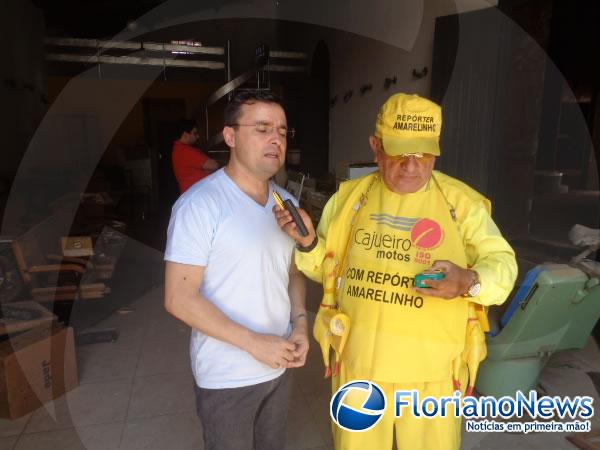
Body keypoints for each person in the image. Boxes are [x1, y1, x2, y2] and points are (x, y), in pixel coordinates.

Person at [275, 92, 518, 450]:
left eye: (423, 154)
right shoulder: (348, 200)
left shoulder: (460, 204)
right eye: (399, 152)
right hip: (358, 366)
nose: (411, 166)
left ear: (436, 151)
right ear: (376, 147)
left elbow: (503, 265)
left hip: (432, 374)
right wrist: (309, 244)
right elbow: (322, 268)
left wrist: (470, 281)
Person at [164, 91, 309, 450]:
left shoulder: (286, 203)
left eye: (282, 130)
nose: (275, 138)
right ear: (230, 137)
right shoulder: (199, 206)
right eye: (262, 128)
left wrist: (302, 323)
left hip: (280, 365)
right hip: (227, 376)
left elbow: (292, 272)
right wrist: (254, 344)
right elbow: (178, 297)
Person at [171, 118, 219, 193]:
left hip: (191, 194)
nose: (198, 136)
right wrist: (206, 171)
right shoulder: (185, 151)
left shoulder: (178, 149)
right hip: (195, 195)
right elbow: (214, 165)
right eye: (195, 133)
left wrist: (204, 171)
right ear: (185, 135)